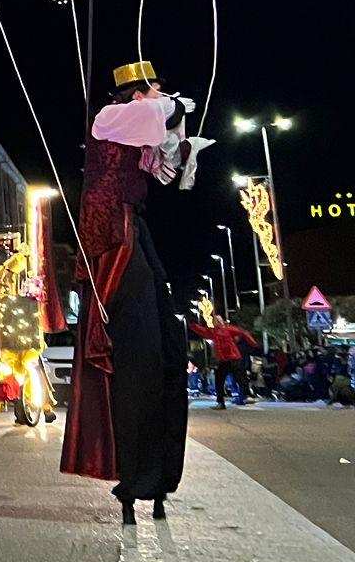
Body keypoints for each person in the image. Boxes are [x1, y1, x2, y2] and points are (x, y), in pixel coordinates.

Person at [61, 61, 199, 524]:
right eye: (154, 89)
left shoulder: (137, 126)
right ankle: (136, 473)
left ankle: (156, 472)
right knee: (138, 352)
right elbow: (160, 114)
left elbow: (167, 166)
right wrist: (173, 107)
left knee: (164, 348)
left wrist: (180, 137)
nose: (162, 95)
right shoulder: (110, 117)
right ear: (136, 94)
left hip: (132, 229)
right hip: (112, 238)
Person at [188, 314, 257, 409]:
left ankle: (223, 402)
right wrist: (253, 343)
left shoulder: (217, 331)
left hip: (227, 359)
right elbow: (243, 332)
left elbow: (201, 330)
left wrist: (192, 325)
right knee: (239, 378)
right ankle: (243, 397)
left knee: (222, 380)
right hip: (232, 358)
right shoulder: (226, 329)